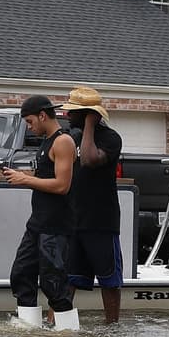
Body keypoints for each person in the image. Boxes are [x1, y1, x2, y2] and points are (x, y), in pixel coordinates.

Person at [3, 96, 79, 330]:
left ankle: (69, 336)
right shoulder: (45, 142)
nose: (29, 126)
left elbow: (62, 185)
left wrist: (25, 179)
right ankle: (29, 331)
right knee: (21, 274)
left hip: (56, 226)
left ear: (42, 116)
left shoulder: (62, 141)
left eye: (29, 121)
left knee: (53, 283)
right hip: (37, 224)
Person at [61, 86, 123, 323]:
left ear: (90, 114)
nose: (67, 115)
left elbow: (88, 159)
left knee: (109, 280)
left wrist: (89, 125)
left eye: (74, 112)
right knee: (68, 279)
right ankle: (60, 327)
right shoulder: (72, 137)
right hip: (74, 220)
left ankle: (112, 329)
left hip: (101, 222)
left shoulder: (111, 138)